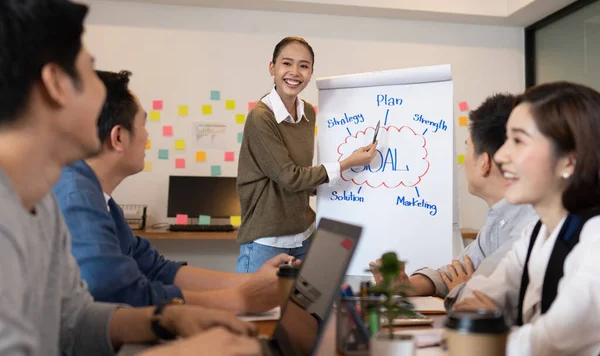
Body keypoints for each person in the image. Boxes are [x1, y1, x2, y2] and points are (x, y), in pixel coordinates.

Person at [0, 0, 257, 355]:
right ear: (55, 84)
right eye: (89, 71)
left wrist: (165, 319)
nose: (103, 93)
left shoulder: (41, 203)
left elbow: (73, 318)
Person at [53, 70, 292, 311]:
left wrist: (254, 282)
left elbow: (157, 269)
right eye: (143, 123)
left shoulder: (101, 201)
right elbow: (119, 293)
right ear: (118, 137)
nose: (147, 134)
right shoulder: (76, 196)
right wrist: (239, 299)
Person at [455, 82, 600, 355]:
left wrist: (495, 323)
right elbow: (474, 301)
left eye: (518, 141)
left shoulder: (595, 241)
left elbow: (546, 343)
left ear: (569, 160)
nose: (499, 156)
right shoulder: (535, 233)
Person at [372, 94, 537, 308]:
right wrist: (407, 286)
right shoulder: (499, 218)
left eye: (467, 148)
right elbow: (455, 272)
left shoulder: (531, 226)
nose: (463, 161)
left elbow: (483, 301)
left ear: (484, 162)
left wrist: (464, 290)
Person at [236, 36, 377, 273]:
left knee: (306, 309)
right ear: (272, 67)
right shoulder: (261, 117)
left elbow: (303, 174)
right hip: (267, 242)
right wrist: (347, 163)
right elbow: (289, 176)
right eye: (287, 63)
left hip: (304, 236)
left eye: (303, 66)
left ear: (311, 72)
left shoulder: (309, 113)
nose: (295, 72)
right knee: (256, 310)